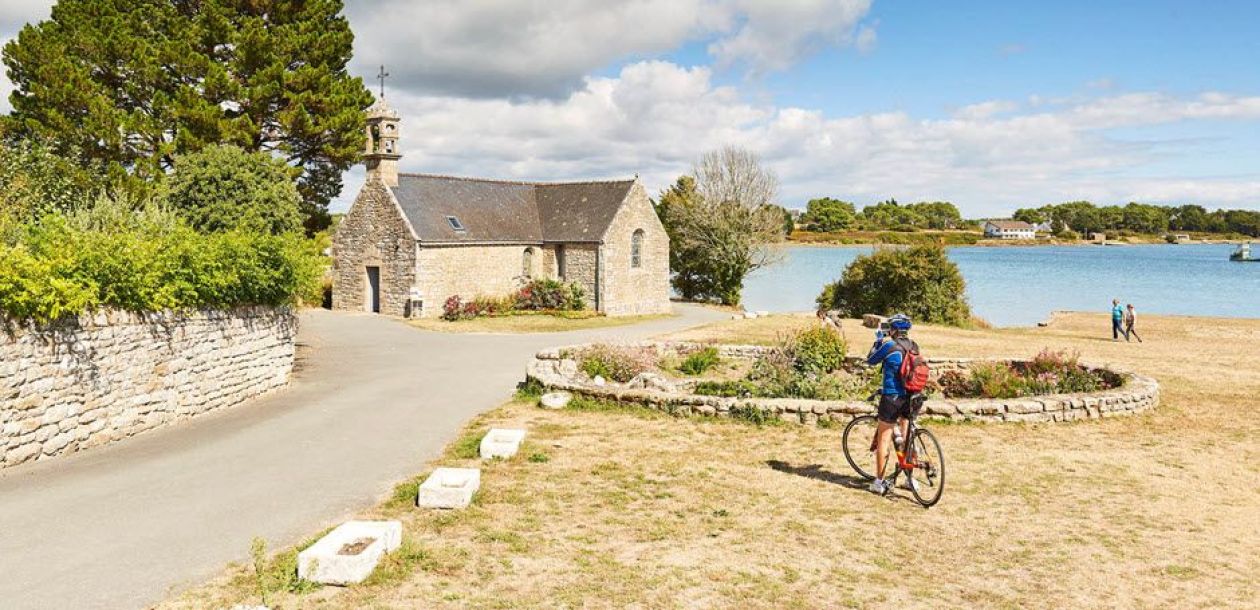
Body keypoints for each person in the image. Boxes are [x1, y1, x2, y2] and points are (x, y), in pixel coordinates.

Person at [865, 313, 915, 495]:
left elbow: (870, 360)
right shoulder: (914, 346)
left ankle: (879, 482)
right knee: (906, 438)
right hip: (910, 397)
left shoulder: (889, 345)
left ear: (893, 329)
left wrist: (877, 341)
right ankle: (911, 479)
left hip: (891, 396)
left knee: (884, 439)